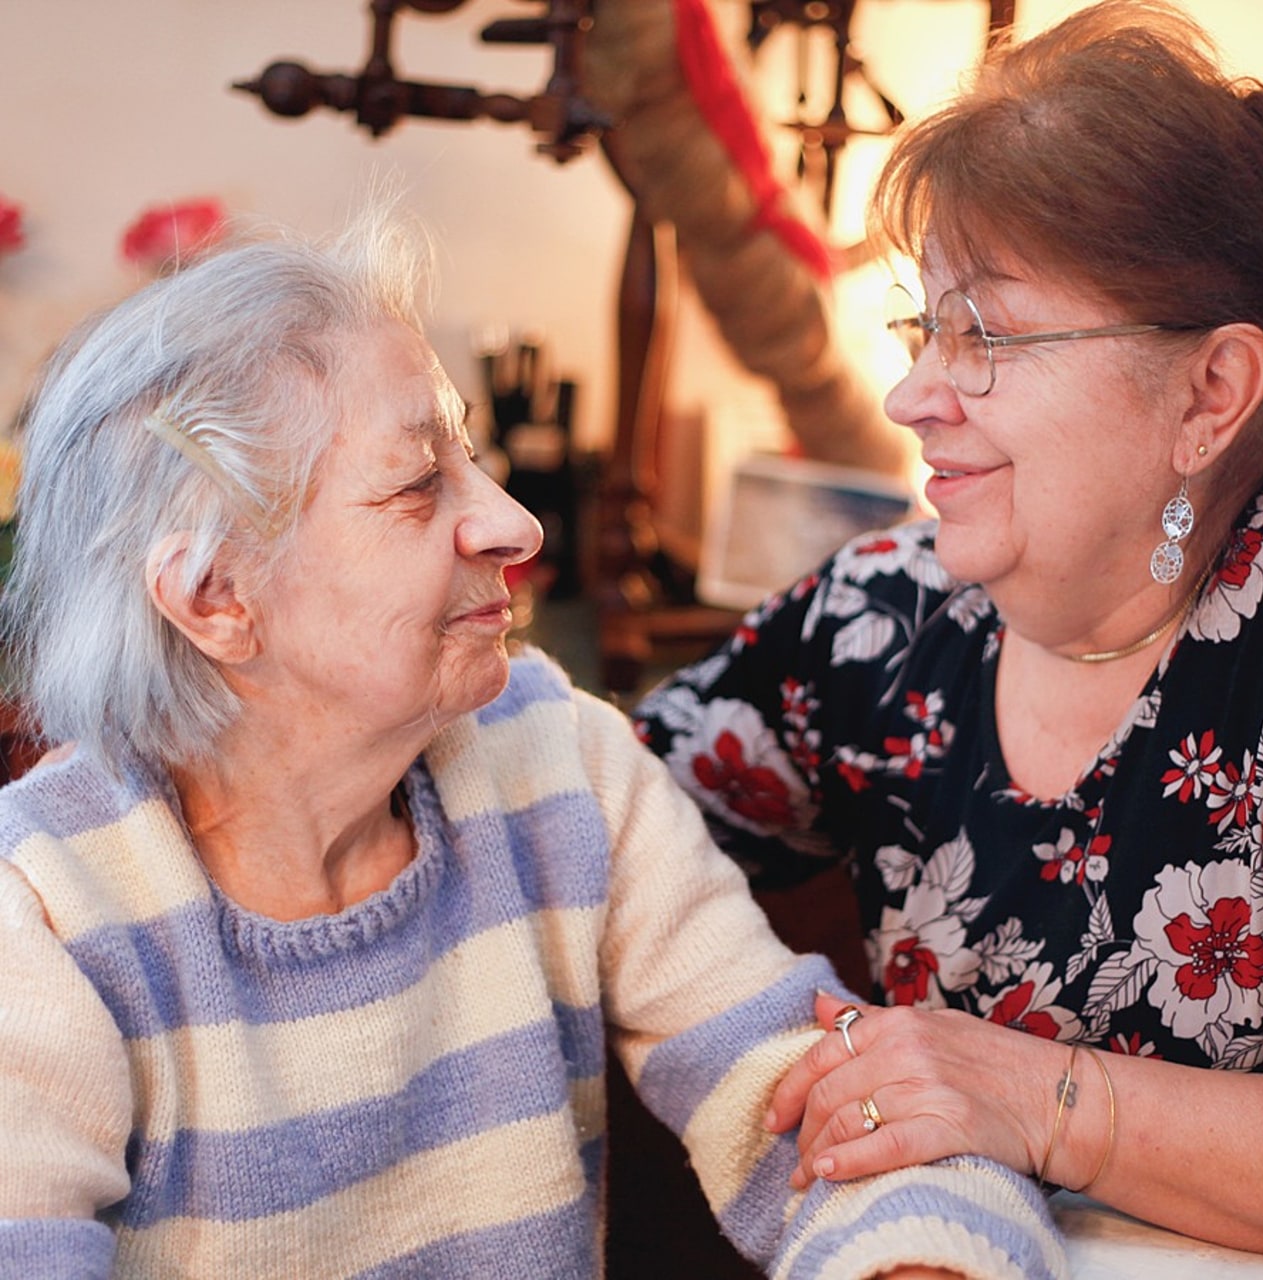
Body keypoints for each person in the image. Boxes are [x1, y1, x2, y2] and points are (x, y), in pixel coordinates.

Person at [0, 208, 1066, 1279]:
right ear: (216, 595)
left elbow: (812, 1092)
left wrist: (921, 1258)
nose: (516, 524)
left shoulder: (550, 756)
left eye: (471, 458)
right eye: (418, 484)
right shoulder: (41, 906)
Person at [634, 0, 1263, 1258]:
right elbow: (597, 828)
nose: (911, 394)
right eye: (921, 326)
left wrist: (1040, 1105)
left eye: (980, 333)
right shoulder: (879, 613)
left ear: (1208, 392)